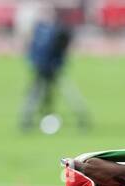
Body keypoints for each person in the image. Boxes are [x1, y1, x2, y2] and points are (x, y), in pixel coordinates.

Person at [19, 4, 91, 133]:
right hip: (41, 68)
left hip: (54, 68)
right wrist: (35, 63)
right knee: (34, 95)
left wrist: (56, 62)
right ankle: (26, 120)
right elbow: (33, 50)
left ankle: (82, 117)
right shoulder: (39, 29)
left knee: (68, 93)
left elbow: (62, 48)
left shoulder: (59, 30)